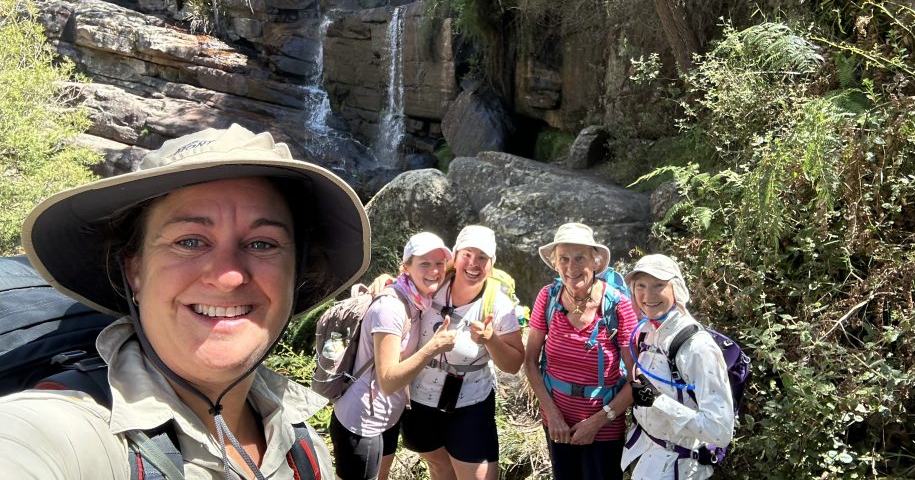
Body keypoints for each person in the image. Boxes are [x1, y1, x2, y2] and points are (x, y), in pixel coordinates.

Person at [0, 123, 373, 479]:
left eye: (262, 244)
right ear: (135, 270)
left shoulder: (304, 447)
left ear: (296, 274)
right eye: (189, 241)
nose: (228, 277)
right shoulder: (66, 432)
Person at [398, 225, 525, 480]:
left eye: (482, 257)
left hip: (470, 402)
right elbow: (400, 283)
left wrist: (491, 340)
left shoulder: (499, 305)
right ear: (455, 256)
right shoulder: (432, 284)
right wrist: (382, 282)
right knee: (439, 469)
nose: (473, 263)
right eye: (467, 254)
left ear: (491, 263)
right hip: (421, 398)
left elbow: (513, 364)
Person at [330, 232, 458, 480]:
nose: (434, 271)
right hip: (361, 422)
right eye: (424, 263)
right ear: (406, 268)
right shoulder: (391, 308)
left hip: (386, 417)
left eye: (439, 264)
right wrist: (433, 347)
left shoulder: (418, 297)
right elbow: (388, 380)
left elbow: (461, 268)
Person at [524, 222, 637, 480]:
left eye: (579, 258)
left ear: (595, 262)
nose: (571, 267)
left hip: (605, 427)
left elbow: (636, 379)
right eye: (563, 259)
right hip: (556, 423)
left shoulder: (618, 306)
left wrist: (597, 422)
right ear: (555, 263)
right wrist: (552, 415)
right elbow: (530, 362)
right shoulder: (548, 298)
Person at [621, 254, 734, 480]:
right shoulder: (647, 331)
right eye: (640, 286)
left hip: (679, 467)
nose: (648, 295)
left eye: (659, 285)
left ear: (677, 289)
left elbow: (720, 431)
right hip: (644, 455)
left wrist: (659, 402)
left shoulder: (697, 347)